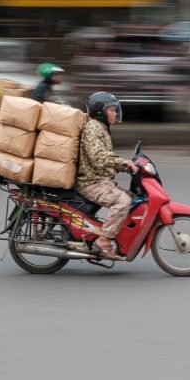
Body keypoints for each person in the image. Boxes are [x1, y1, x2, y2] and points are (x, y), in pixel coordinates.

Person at [76, 92, 139, 261]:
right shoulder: (94, 127)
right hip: (91, 183)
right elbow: (98, 156)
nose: (115, 113)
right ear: (100, 111)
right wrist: (122, 162)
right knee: (122, 201)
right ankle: (103, 240)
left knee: (134, 199)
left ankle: (116, 236)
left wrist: (122, 165)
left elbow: (103, 158)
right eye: (112, 110)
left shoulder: (101, 127)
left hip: (101, 180)